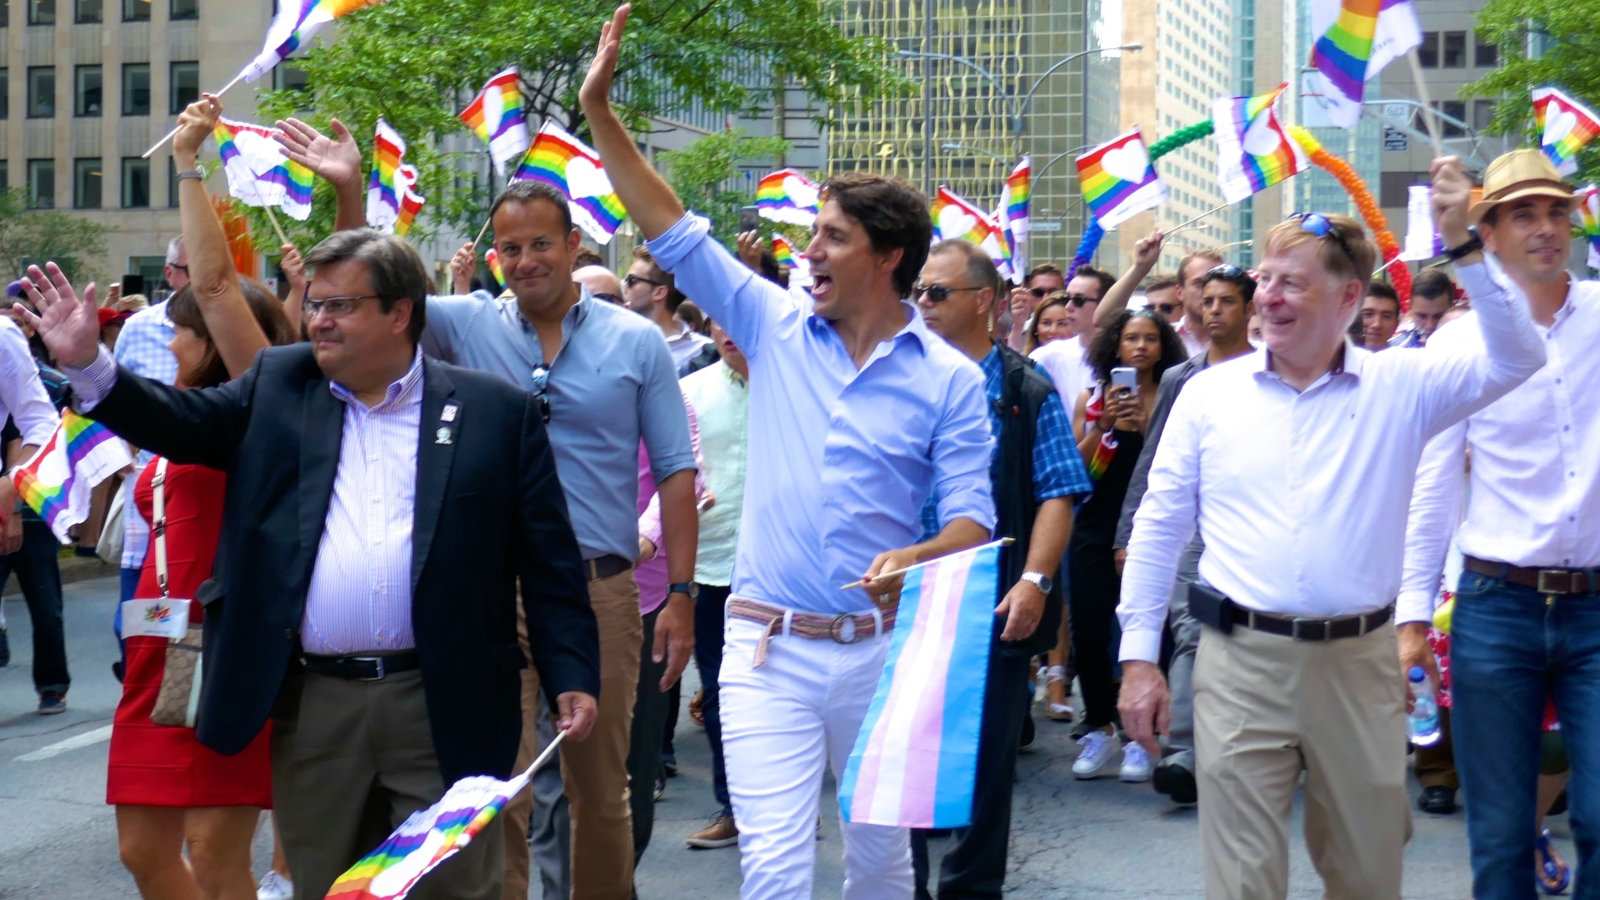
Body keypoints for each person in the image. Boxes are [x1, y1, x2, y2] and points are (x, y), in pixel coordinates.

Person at [21, 219, 602, 898]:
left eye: (339, 305)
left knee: (451, 887)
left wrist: (572, 671)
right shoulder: (279, 384)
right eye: (315, 303)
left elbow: (548, 559)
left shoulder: (494, 412)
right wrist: (91, 367)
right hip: (316, 705)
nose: (318, 321)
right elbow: (181, 423)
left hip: (442, 701)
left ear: (399, 313)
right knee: (329, 885)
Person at [580, 8, 997, 896]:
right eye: (812, 234)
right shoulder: (771, 324)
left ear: (888, 259)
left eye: (831, 237)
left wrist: (917, 557)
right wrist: (601, 114)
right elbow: (672, 230)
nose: (807, 253)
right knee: (773, 867)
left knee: (883, 868)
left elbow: (974, 520)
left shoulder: (950, 381)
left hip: (883, 655)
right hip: (765, 648)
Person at [277, 120, 699, 899]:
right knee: (486, 788)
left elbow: (675, 473)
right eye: (510, 248)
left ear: (576, 246)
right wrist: (347, 191)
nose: (525, 260)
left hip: (599, 590)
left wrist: (678, 595)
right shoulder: (466, 323)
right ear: (495, 257)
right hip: (491, 594)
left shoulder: (637, 342)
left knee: (597, 790)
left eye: (541, 244)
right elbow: (367, 291)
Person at [1117, 157, 1546, 899]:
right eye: (1267, 279)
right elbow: (1159, 524)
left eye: (1293, 281)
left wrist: (1465, 250)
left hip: (1360, 665)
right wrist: (1137, 658)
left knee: (1366, 874)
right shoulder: (1208, 395)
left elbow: (1519, 354)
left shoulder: (1405, 385)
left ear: (1350, 297)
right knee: (1242, 882)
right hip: (1238, 661)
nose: (1269, 297)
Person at [107, 97, 299, 900]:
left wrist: (190, 161)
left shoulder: (260, 413)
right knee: (143, 853)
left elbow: (219, 286)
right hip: (159, 650)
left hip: (223, 648)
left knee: (217, 855)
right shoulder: (181, 421)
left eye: (183, 325)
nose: (171, 336)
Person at [1400, 148, 1600, 898]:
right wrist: (1412, 617)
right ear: (1486, 231)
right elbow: (1431, 486)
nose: (1546, 227)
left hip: (1596, 607)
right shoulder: (1456, 342)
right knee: (1500, 831)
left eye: (1555, 210)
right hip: (1494, 606)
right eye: (1523, 213)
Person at [909, 240, 1089, 898]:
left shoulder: (1023, 390)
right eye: (918, 292)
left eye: (936, 293)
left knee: (984, 767)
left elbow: (1058, 491)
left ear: (982, 302)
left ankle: (971, 889)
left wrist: (1035, 580)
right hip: (902, 600)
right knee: (905, 761)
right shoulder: (896, 378)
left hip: (988, 599)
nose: (922, 304)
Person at [1110, 242, 1257, 806]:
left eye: (1227, 301)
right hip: (1189, 531)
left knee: (1244, 638)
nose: (1215, 310)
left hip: (1248, 531)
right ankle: (1184, 752)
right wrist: (1131, 532)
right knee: (1191, 631)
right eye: (1208, 299)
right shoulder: (1179, 378)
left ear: (1250, 309)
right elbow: (1155, 461)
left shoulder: (1271, 368)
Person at [1068, 307, 1186, 782]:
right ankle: (1097, 724)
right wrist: (1104, 428)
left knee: (1149, 628)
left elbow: (1173, 467)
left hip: (1148, 526)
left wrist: (1144, 429)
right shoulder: (1092, 398)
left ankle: (1143, 734)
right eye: (1131, 338)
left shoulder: (1176, 396)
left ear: (1164, 347)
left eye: (1150, 339)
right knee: (1091, 629)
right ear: (1114, 346)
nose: (1140, 347)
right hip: (1094, 525)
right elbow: (1077, 471)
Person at [665, 318, 750, 850]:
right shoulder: (688, 390)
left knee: (787, 696)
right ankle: (733, 806)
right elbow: (670, 472)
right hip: (712, 566)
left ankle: (788, 805)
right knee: (720, 693)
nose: (730, 329)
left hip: (783, 570)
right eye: (719, 319)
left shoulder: (796, 384)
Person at [0, 310, 64, 710]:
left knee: (44, 601)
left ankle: (53, 683)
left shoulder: (6, 341)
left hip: (24, 500)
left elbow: (39, 424)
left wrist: (13, 488)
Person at [1031, 265, 1115, 430]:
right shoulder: (1048, 356)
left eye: (1078, 300)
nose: (1068, 307)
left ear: (1106, 304)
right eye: (1068, 298)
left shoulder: (1128, 356)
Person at [624, 247, 714, 374]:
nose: (624, 286)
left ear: (659, 292)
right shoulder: (617, 343)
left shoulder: (704, 351)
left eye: (631, 280)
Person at [1005, 262, 1066, 350]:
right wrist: (1018, 325)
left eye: (1053, 292)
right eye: (1038, 293)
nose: (1046, 298)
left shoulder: (1077, 329)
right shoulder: (1019, 331)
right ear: (1028, 295)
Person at [1392, 268, 1455, 348]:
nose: (1430, 325)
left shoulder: (1470, 347)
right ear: (1410, 308)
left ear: (1452, 309)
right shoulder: (1395, 350)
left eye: (1438, 316)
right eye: (1422, 316)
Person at [1358, 281, 1401, 351]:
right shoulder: (1337, 358)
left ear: (1396, 323)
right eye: (1368, 314)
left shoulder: (1405, 360)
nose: (1377, 324)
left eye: (1386, 316)